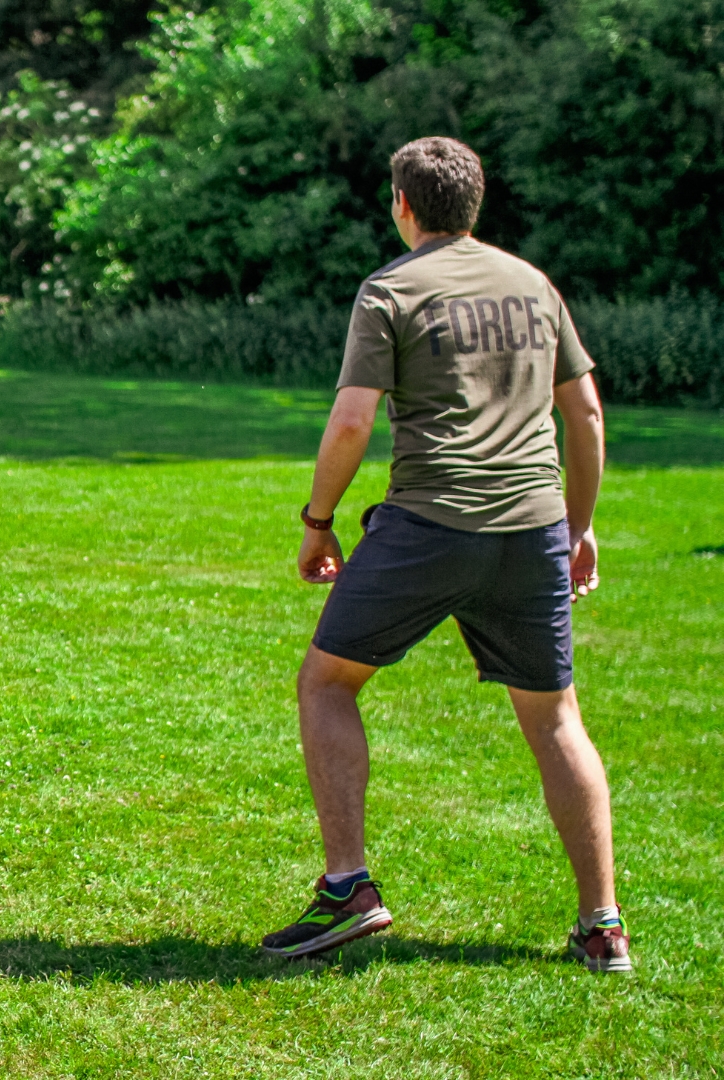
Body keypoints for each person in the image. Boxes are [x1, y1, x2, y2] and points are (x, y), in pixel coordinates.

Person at [261, 138, 628, 974]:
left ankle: (349, 888)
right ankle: (602, 925)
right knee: (556, 719)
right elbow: (588, 417)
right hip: (532, 528)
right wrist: (573, 526)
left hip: (430, 522)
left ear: (403, 204)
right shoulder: (533, 284)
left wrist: (318, 521)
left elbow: (353, 421)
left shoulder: (391, 288)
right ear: (476, 203)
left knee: (327, 683)